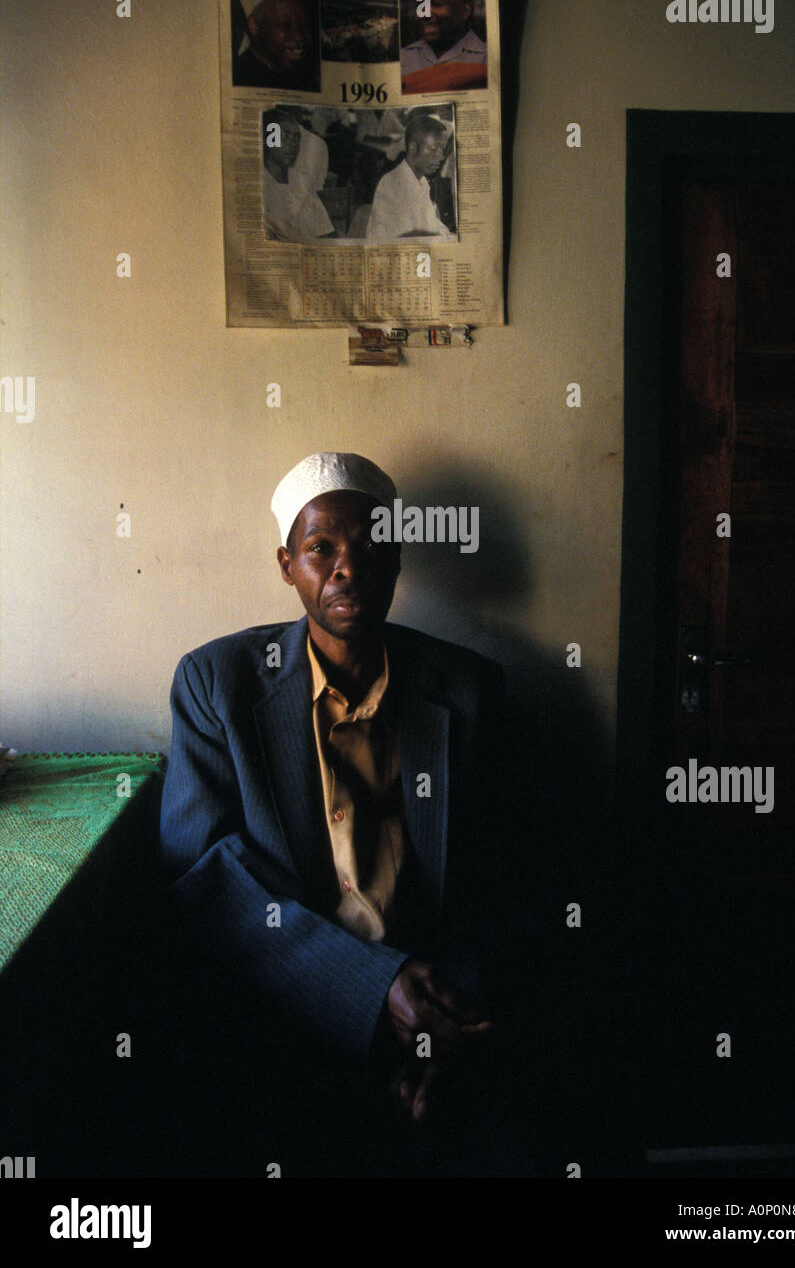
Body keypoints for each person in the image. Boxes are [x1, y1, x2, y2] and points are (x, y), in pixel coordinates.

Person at [158, 453, 535, 1175]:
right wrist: (371, 990)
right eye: (321, 548)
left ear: (396, 557)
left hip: (445, 997)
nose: (346, 569)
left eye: (368, 545)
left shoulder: (470, 689)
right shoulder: (216, 685)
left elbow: (507, 878)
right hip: (289, 1009)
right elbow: (205, 876)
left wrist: (440, 1024)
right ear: (286, 565)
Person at [232, 0, 319, 91]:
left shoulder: (306, 77)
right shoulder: (242, 78)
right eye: (285, 25)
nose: (299, 37)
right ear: (254, 26)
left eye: (304, 25)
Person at [400, 0, 487, 93]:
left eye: (437, 4)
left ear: (465, 11)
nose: (424, 14)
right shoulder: (403, 57)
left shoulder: (486, 59)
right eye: (421, 5)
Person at [365, 117, 455, 241]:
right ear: (413, 147)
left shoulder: (422, 182)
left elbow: (434, 225)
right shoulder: (393, 184)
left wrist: (445, 236)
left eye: (442, 149)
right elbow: (404, 239)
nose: (441, 157)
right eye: (434, 149)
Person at [261, 111, 336, 242]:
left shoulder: (302, 182)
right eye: (285, 136)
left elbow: (326, 230)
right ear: (266, 139)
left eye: (296, 138)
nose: (293, 144)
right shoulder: (259, 185)